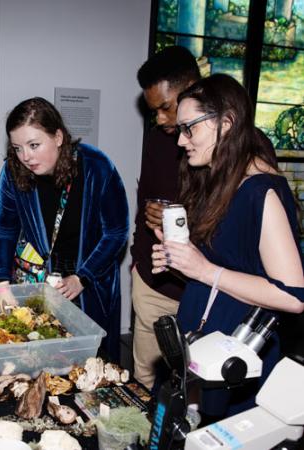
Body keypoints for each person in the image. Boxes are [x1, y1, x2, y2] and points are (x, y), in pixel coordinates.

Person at [151, 73, 304, 419]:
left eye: (189, 128)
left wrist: (203, 269)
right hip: (203, 358)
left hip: (235, 361)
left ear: (227, 122)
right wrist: (182, 261)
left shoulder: (261, 192)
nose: (180, 141)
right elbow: (230, 265)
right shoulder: (221, 180)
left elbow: (293, 296)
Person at [0, 97, 129, 361]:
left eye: (34, 145)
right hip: (36, 281)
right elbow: (5, 229)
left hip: (88, 283)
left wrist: (82, 277)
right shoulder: (12, 171)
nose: (25, 157)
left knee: (87, 363)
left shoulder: (96, 166)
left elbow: (116, 232)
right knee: (35, 359)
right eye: (17, 148)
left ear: (58, 136)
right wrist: (2, 283)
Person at [131, 46, 201, 389]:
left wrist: (180, 217)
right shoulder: (159, 140)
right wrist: (137, 260)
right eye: (152, 110)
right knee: (144, 380)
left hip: (200, 292)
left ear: (192, 89)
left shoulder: (234, 147)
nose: (159, 119)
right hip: (153, 284)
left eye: (164, 107)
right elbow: (143, 201)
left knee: (193, 388)